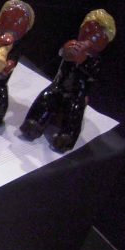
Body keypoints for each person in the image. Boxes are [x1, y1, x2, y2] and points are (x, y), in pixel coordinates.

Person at [20, 9, 115, 152]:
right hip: (59, 87)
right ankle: (34, 122)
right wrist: (65, 51)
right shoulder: (73, 46)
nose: (89, 37)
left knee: (74, 110)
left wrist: (83, 61)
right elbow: (62, 54)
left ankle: (67, 136)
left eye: (96, 36)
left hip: (77, 95)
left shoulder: (95, 61)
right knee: (46, 97)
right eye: (86, 30)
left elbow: (93, 75)